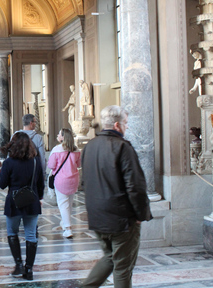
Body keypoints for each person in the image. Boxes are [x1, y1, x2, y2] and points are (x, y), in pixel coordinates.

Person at [80, 105, 152, 288]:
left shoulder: (90, 146)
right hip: (121, 219)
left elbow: (85, 182)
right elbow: (135, 186)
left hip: (97, 215)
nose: (127, 127)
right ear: (118, 125)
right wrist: (141, 215)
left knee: (111, 257)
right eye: (126, 123)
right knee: (123, 267)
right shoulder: (122, 147)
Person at [0, 132, 45, 281]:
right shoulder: (35, 161)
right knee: (30, 235)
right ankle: (29, 270)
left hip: (14, 201)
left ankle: (19, 264)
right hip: (32, 200)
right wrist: (39, 197)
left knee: (12, 233)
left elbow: (2, 184)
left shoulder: (9, 163)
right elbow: (41, 183)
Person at [47, 128, 80, 238]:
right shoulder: (76, 150)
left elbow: (51, 166)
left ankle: (68, 228)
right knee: (69, 204)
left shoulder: (57, 150)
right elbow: (79, 164)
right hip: (74, 179)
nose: (57, 135)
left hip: (61, 180)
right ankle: (64, 222)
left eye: (59, 134)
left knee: (63, 205)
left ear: (63, 137)